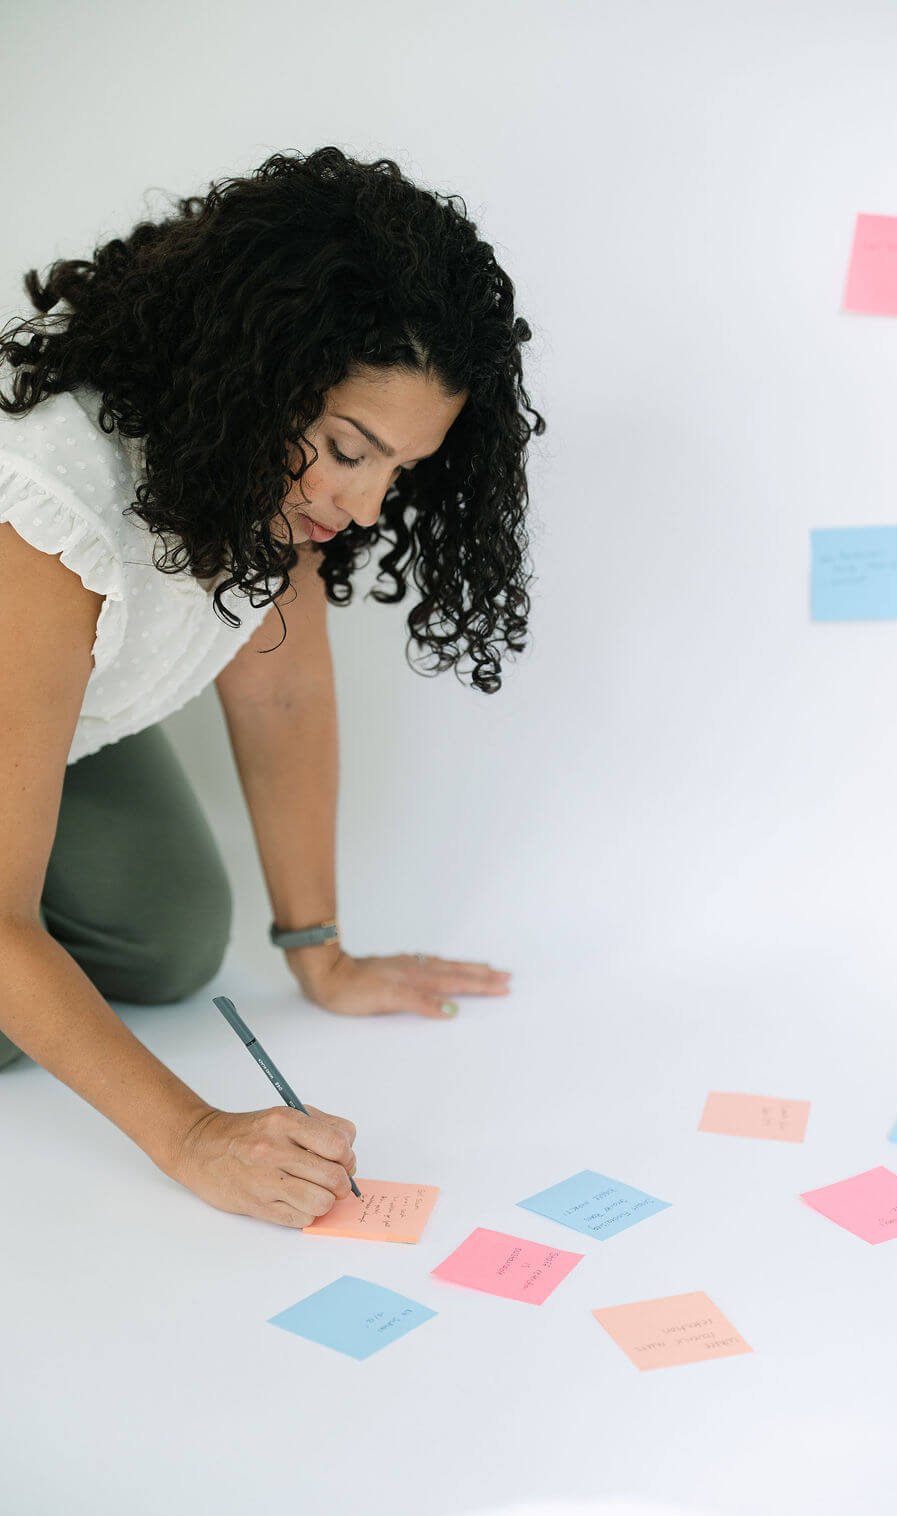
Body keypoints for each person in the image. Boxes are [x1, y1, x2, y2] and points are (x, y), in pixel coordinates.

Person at [0, 145, 545, 1229]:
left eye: (399, 471)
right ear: (257, 376)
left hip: (50, 726)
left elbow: (282, 696)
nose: (364, 506)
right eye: (349, 450)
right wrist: (194, 1136)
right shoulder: (47, 514)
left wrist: (321, 953)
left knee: (170, 936)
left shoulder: (255, 473)